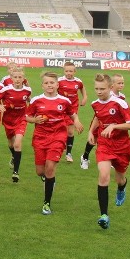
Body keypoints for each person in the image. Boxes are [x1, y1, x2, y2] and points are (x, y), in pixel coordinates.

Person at [26, 72, 83, 215]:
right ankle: (49, 180)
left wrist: (76, 121)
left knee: (50, 168)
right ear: (42, 85)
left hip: (58, 136)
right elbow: (27, 116)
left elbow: (72, 113)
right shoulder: (37, 101)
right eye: (46, 83)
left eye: (52, 83)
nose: (49, 85)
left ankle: (46, 203)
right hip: (40, 137)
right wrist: (35, 120)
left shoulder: (64, 101)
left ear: (57, 84)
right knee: (41, 171)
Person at [87, 74, 130, 230]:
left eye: (102, 89)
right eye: (96, 89)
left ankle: (122, 187)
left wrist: (114, 126)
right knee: (103, 175)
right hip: (105, 145)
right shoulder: (95, 104)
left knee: (119, 178)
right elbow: (97, 117)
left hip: (122, 146)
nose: (99, 92)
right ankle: (104, 215)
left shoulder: (120, 103)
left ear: (110, 88)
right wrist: (91, 132)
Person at [0, 67, 31, 182]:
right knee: (11, 143)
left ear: (23, 78)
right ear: (11, 78)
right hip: (8, 120)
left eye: (20, 77)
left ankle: (16, 172)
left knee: (17, 144)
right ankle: (14, 156)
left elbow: (29, 100)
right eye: (15, 77)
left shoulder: (27, 90)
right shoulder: (5, 90)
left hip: (22, 119)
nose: (18, 79)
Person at [81, 73, 126, 169]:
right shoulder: (105, 95)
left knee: (110, 140)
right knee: (94, 140)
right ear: (112, 85)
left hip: (112, 125)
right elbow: (98, 113)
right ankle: (85, 157)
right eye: (119, 83)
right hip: (100, 121)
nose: (121, 85)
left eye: (122, 83)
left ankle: (110, 159)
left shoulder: (122, 97)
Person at [58, 61, 87, 163]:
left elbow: (82, 89)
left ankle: (68, 153)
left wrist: (85, 98)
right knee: (61, 129)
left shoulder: (78, 82)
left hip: (73, 108)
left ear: (74, 71)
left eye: (71, 71)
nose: (68, 73)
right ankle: (59, 147)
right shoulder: (59, 81)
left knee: (70, 131)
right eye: (66, 71)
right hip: (61, 108)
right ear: (64, 71)